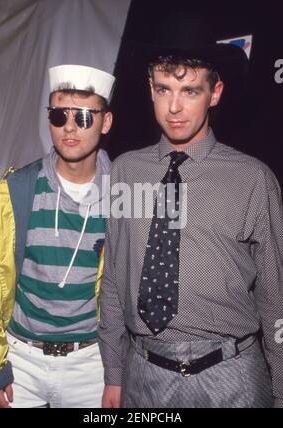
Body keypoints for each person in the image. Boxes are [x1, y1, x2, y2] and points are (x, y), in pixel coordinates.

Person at [98, 13, 283, 408]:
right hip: (143, 372)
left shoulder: (253, 178)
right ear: (150, 88)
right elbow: (113, 277)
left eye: (190, 91)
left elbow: (275, 296)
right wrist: (113, 373)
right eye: (164, 89)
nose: (175, 107)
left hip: (233, 374)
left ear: (215, 93)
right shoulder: (125, 171)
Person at [0, 64, 114, 408]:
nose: (70, 127)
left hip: (91, 365)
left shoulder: (125, 196)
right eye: (59, 115)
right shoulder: (14, 191)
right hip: (19, 362)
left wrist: (119, 368)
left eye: (84, 116)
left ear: (106, 121)